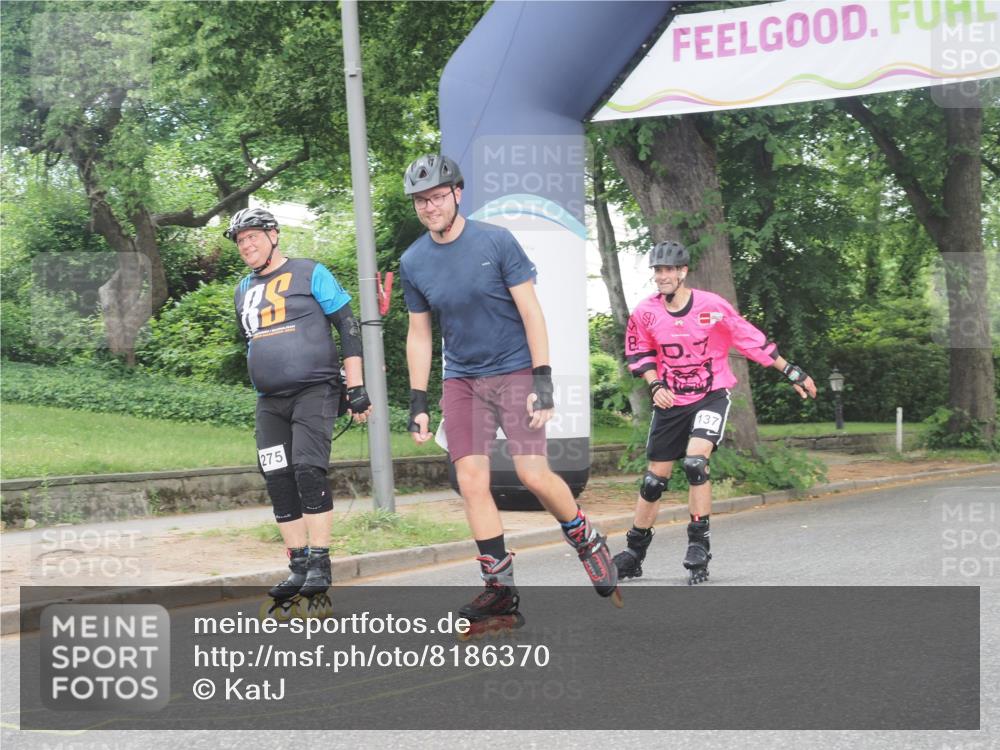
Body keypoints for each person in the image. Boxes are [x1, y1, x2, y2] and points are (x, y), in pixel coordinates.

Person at [399, 153, 620, 632]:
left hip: (514, 370)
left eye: (437, 196)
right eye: (420, 200)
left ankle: (585, 539)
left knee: (533, 473)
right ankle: (500, 591)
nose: (430, 207)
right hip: (462, 380)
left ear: (457, 193)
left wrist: (543, 379)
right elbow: (420, 334)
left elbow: (531, 312)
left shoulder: (496, 241)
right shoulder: (414, 260)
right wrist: (418, 401)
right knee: (472, 481)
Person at [615, 240, 817, 585]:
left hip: (711, 395)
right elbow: (641, 351)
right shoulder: (646, 311)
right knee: (654, 481)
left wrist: (791, 371)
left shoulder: (712, 307)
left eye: (668, 270)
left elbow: (749, 339)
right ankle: (634, 553)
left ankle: (698, 545)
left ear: (683, 272)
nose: (662, 276)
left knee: (695, 462)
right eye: (657, 271)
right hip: (670, 400)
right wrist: (655, 385)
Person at [228, 207, 372, 615]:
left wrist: (356, 385)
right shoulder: (242, 289)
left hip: (315, 390)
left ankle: (321, 561)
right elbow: (251, 340)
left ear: (273, 235)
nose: (246, 246)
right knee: (276, 475)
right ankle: (298, 564)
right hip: (269, 401)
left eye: (252, 236)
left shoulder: (310, 272)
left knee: (309, 468)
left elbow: (347, 324)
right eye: (240, 241)